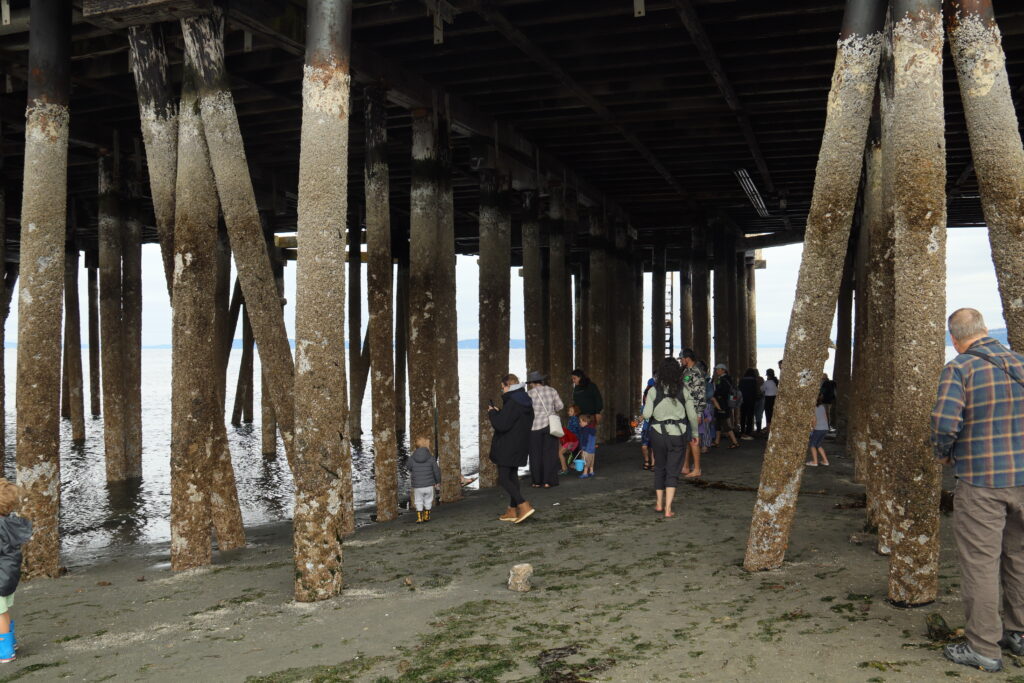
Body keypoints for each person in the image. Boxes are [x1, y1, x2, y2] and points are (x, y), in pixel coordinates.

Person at [931, 308, 1024, 673]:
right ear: (985, 330)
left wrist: (943, 453)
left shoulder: (960, 368)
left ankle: (984, 648)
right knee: (1018, 557)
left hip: (982, 481)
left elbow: (944, 421)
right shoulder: (1019, 362)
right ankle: (1018, 633)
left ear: (954, 339)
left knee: (980, 565)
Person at [643, 358, 699, 518]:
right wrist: (695, 434)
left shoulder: (654, 390)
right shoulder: (684, 389)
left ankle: (659, 503)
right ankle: (668, 508)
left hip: (657, 434)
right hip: (677, 434)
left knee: (660, 467)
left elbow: (646, 415)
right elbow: (693, 416)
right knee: (673, 471)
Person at [488, 373, 536, 524]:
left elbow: (501, 425)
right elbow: (514, 421)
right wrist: (500, 412)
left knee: (503, 477)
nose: (502, 391)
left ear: (508, 385)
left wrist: (492, 413)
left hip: (508, 445)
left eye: (502, 388)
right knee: (512, 475)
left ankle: (523, 505)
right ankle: (511, 510)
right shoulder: (525, 400)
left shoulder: (513, 401)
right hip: (521, 443)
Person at [0, 479, 31, 663]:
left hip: (0, 575)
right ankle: (10, 642)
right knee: (3, 611)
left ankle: (4, 651)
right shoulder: (9, 524)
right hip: (7, 575)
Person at [526, 371, 564, 489]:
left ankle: (537, 482)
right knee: (550, 454)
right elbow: (560, 406)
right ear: (541, 381)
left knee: (535, 455)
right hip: (550, 425)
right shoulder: (552, 391)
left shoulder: (529, 394)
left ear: (532, 383)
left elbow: (526, 411)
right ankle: (548, 481)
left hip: (534, 427)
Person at [679, 349, 707, 476]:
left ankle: (697, 469)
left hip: (693, 410)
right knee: (686, 439)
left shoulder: (696, 372)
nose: (680, 361)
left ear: (687, 358)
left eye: (681, 359)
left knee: (694, 439)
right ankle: (685, 467)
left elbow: (700, 394)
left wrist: (699, 413)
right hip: (685, 409)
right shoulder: (686, 371)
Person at [409, 436, 441, 523]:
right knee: (428, 500)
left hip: (418, 486)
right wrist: (438, 481)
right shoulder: (431, 458)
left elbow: (408, 467)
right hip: (429, 485)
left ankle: (419, 518)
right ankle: (427, 516)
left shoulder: (412, 458)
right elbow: (436, 471)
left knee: (418, 501)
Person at [711, 364, 739, 449]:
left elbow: (722, 392)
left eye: (718, 369)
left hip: (722, 404)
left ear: (723, 370)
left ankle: (735, 442)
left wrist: (715, 395)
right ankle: (717, 441)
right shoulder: (728, 378)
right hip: (724, 403)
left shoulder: (723, 379)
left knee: (726, 424)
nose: (717, 371)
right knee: (718, 423)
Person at [571, 369, 603, 434]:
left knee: (589, 435)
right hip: (579, 416)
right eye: (572, 379)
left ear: (580, 377)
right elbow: (576, 400)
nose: (573, 381)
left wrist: (598, 412)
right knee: (581, 436)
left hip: (590, 416)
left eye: (574, 378)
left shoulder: (591, 386)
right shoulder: (576, 388)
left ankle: (591, 444)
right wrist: (573, 410)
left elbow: (598, 398)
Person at [805, 395, 830, 467]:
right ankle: (825, 461)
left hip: (818, 428)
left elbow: (814, 420)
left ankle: (815, 462)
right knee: (818, 445)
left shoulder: (812, 408)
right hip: (825, 428)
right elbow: (826, 417)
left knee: (812, 445)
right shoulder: (822, 407)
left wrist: (812, 429)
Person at [558, 405, 581, 473]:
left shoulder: (574, 419)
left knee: (560, 453)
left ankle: (564, 469)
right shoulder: (574, 419)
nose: (569, 412)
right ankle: (568, 466)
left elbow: (571, 431)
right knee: (561, 452)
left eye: (571, 411)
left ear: (575, 412)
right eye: (569, 411)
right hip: (573, 440)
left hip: (571, 440)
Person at [640, 378, 656, 470]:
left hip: (654, 429)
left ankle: (653, 463)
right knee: (644, 446)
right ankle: (647, 460)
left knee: (654, 448)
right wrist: (637, 421)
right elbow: (642, 416)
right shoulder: (644, 407)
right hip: (646, 430)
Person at [738, 368, 759, 440]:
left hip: (743, 400)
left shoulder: (742, 380)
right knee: (750, 416)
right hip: (751, 400)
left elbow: (739, 389)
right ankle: (748, 432)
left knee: (743, 415)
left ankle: (742, 431)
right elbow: (755, 391)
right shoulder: (754, 380)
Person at [577, 414, 597, 478]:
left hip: (586, 448)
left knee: (585, 460)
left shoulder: (585, 430)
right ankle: (591, 471)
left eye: (580, 421)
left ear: (585, 422)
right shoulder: (592, 429)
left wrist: (583, 447)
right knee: (591, 460)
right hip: (592, 448)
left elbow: (585, 439)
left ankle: (585, 473)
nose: (579, 423)